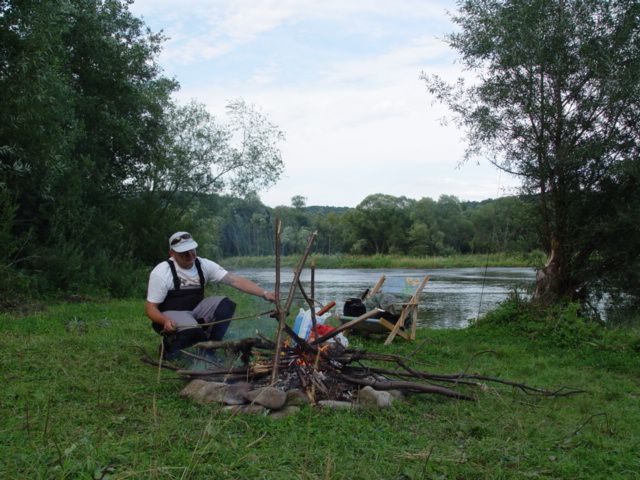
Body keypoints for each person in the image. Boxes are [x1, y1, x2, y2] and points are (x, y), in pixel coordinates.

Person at [145, 231, 276, 359]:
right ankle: (168, 348)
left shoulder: (204, 265)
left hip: (196, 311)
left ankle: (209, 349)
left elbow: (234, 280)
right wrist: (164, 321)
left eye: (192, 249)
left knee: (226, 305)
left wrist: (264, 293)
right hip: (171, 315)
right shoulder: (162, 272)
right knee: (193, 333)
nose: (190, 255)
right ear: (172, 253)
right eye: (183, 252)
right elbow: (151, 308)